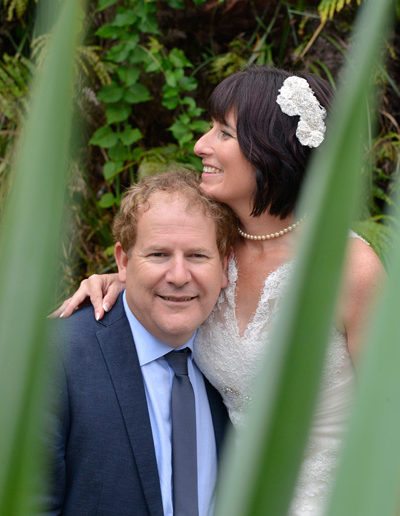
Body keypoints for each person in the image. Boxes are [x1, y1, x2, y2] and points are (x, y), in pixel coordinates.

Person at [53, 66, 383, 515]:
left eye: (223, 133)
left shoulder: (349, 269)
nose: (200, 145)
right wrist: (118, 277)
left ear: (270, 152)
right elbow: (163, 272)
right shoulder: (218, 251)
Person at [43, 170, 235, 515]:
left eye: (197, 256)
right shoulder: (56, 359)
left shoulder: (237, 359)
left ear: (224, 265)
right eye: (159, 255)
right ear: (123, 261)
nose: (178, 276)